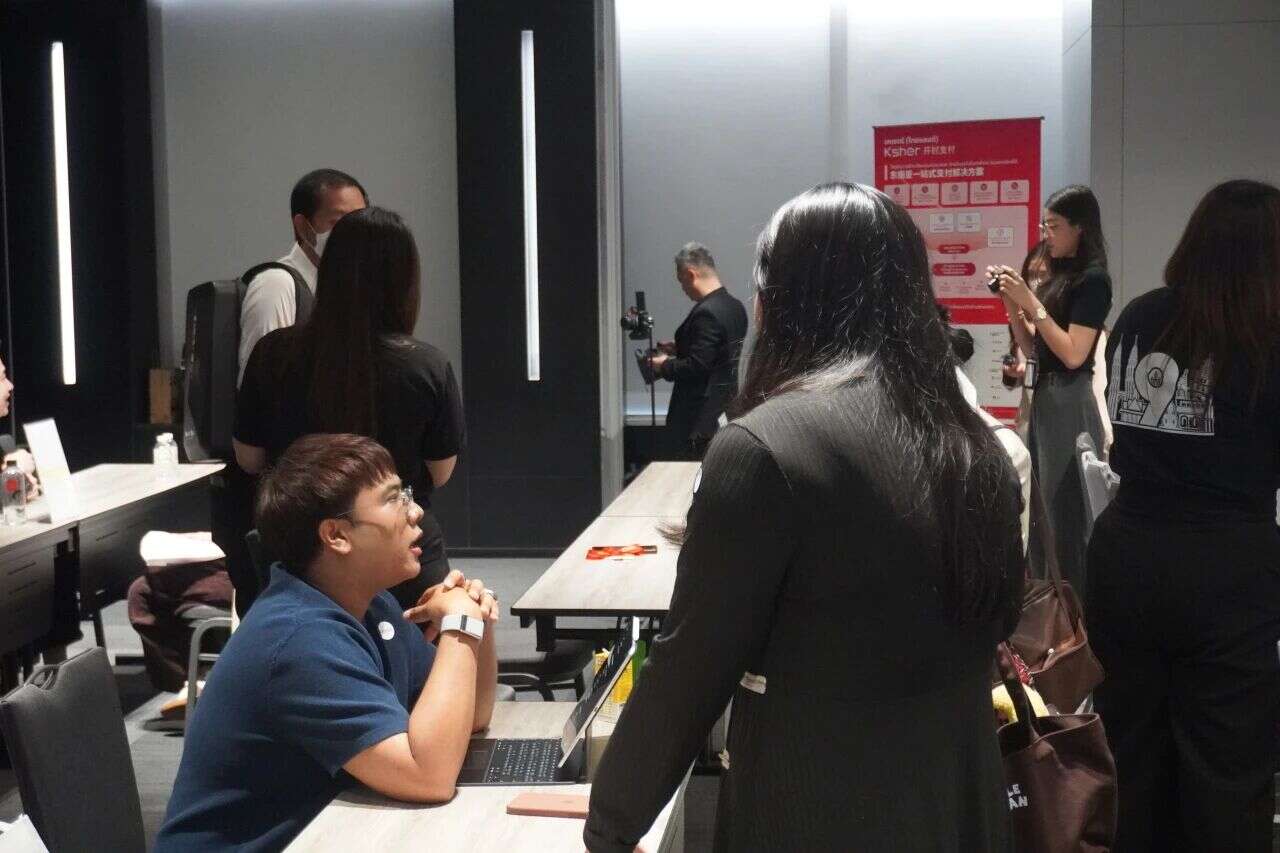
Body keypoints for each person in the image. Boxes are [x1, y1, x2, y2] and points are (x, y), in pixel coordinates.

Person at [586, 184, 1025, 852]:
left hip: (815, 807)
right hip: (961, 804)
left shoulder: (765, 448)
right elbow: (1000, 616)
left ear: (781, 300)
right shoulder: (977, 445)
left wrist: (611, 824)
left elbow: (689, 672)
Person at [156, 433, 498, 852]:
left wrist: (476, 619)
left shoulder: (370, 605)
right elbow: (429, 777)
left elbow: (472, 715)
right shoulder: (299, 640)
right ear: (336, 535)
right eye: (394, 499)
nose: (416, 512)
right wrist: (460, 626)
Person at [1087, 179, 1280, 851]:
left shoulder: (1142, 317)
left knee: (1128, 753)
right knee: (1225, 770)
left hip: (1127, 553)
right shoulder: (1266, 336)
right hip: (1228, 569)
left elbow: (1123, 433)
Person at [235, 207, 465, 610]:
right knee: (421, 644)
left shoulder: (272, 353)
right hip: (397, 550)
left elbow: (249, 459)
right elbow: (440, 472)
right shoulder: (425, 365)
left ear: (329, 269)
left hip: (296, 551)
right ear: (406, 282)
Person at [988, 185, 1112, 592]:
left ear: (1080, 227)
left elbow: (1074, 354)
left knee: (1066, 516)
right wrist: (1011, 302)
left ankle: (1073, 611)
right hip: (1045, 399)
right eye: (1044, 226)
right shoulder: (1059, 279)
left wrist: (1032, 302)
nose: (1046, 235)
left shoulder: (1094, 281)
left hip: (1070, 400)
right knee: (1040, 513)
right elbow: (1032, 349)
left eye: (1054, 226)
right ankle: (1046, 603)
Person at [237, 168, 369, 384]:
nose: (354, 233)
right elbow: (260, 385)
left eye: (361, 222)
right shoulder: (277, 285)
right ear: (303, 227)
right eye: (339, 223)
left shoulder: (353, 288)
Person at [647, 242, 748, 459]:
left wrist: (663, 365)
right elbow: (719, 353)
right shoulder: (735, 307)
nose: (683, 289)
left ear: (691, 274)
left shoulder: (706, 313)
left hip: (697, 420)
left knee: (687, 475)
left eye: (681, 281)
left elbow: (698, 366)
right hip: (723, 410)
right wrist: (681, 348)